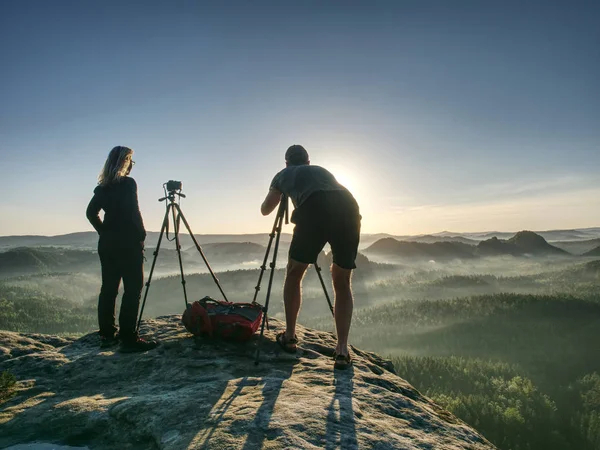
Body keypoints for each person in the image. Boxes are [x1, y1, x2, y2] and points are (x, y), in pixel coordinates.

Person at [261, 144, 361, 369]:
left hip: (313, 209)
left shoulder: (282, 175)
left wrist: (281, 191)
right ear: (308, 161)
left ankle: (289, 336)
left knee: (294, 273)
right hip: (349, 209)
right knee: (342, 281)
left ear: (286, 163)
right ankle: (342, 349)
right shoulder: (321, 170)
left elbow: (266, 209)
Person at [86, 146, 158, 352]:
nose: (131, 166)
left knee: (108, 289)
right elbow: (134, 212)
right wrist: (141, 235)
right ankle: (128, 339)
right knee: (133, 289)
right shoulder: (128, 184)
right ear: (125, 162)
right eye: (130, 161)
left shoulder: (102, 188)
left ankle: (107, 334)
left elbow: (91, 213)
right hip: (128, 243)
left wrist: (104, 232)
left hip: (107, 245)